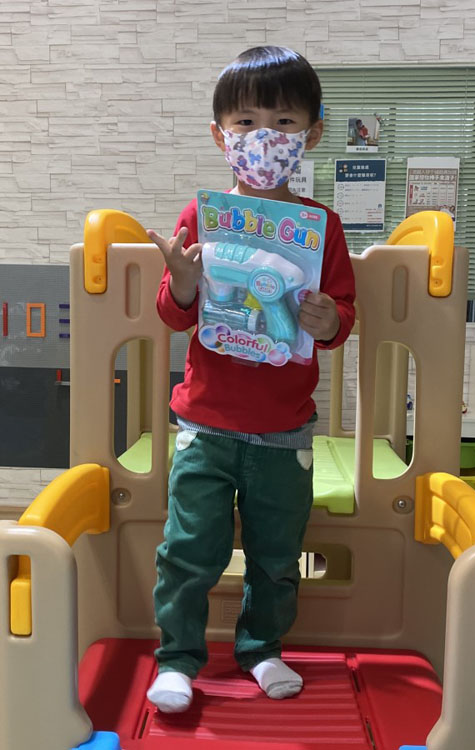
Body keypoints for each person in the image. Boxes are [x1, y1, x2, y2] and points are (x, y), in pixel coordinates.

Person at [144, 46, 356, 714]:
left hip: (284, 431)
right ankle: (177, 659)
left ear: (311, 135)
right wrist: (182, 283)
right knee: (188, 549)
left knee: (276, 555)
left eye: (284, 122)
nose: (264, 138)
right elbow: (173, 314)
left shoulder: (321, 228)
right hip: (205, 424)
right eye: (246, 122)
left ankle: (262, 649)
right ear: (220, 134)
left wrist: (329, 318)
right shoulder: (201, 216)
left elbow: (342, 316)